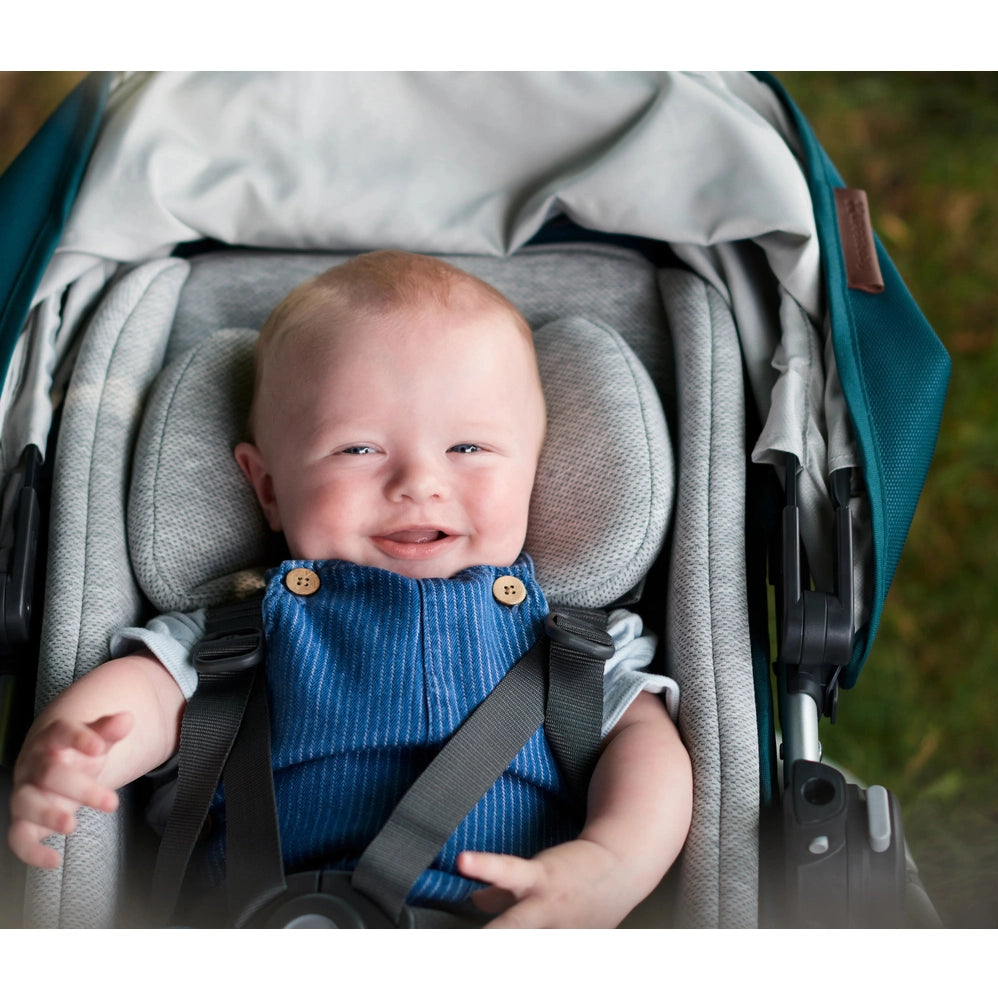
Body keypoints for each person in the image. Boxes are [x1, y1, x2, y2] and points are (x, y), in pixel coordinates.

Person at [8, 251, 692, 928]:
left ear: (533, 472)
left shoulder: (570, 644)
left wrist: (611, 864)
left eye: (469, 449)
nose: (418, 482)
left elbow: (646, 748)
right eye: (358, 449)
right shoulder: (239, 636)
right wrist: (72, 749)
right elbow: (146, 700)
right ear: (269, 487)